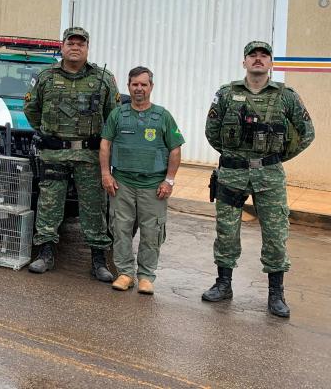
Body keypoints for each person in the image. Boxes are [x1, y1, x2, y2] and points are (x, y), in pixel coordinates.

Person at [202, 41, 314, 318]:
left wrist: (273, 159)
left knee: (275, 235)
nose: (258, 59)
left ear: (271, 63)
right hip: (232, 173)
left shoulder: (286, 95)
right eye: (253, 55)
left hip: (270, 177)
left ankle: (276, 294)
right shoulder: (227, 94)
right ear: (244, 62)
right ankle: (223, 284)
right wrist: (234, 155)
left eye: (264, 55)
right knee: (226, 231)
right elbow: (211, 131)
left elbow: (306, 132)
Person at [24, 27, 120, 280]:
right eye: (71, 42)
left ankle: (99, 260)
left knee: (94, 207)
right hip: (55, 154)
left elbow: (113, 117)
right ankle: (45, 253)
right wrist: (48, 134)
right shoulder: (45, 77)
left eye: (81, 43)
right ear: (62, 46)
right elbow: (31, 109)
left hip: (89, 156)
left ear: (87, 47)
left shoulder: (104, 79)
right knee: (49, 204)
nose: (75, 47)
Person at [100, 66, 184, 294]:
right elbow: (105, 144)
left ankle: (146, 277)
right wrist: (106, 174)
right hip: (122, 184)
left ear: (151, 87)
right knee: (121, 229)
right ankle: (125, 273)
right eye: (135, 84)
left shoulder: (163, 116)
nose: (139, 88)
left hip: (153, 186)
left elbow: (175, 150)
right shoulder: (118, 114)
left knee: (152, 232)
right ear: (128, 87)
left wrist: (169, 181)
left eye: (143, 84)